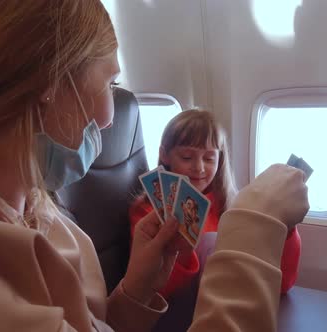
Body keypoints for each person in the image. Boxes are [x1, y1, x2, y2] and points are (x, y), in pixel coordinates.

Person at [0, 1, 309, 331]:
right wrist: (252, 234)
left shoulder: (45, 215)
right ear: (47, 82)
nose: (112, 116)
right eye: (111, 82)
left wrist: (133, 290)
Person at [129, 110, 302, 298]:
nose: (199, 167)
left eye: (209, 158)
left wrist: (284, 228)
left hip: (230, 299)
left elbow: (281, 283)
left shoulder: (230, 208)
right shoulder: (148, 213)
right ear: (164, 155)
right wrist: (183, 254)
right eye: (187, 157)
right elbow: (155, 291)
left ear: (219, 160)